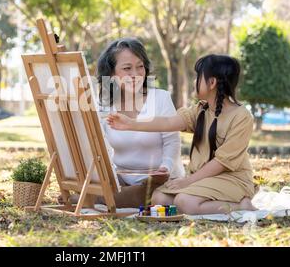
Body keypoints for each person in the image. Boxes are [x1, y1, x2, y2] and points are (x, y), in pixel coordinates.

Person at [107, 54, 258, 214]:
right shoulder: (201, 110)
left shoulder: (242, 117)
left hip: (232, 179)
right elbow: (167, 123)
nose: (194, 81)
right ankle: (202, 201)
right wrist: (131, 124)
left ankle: (243, 205)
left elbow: (222, 162)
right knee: (159, 198)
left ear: (212, 82)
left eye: (198, 77)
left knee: (185, 202)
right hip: (206, 179)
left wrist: (187, 182)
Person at [97, 37, 185, 208]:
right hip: (122, 178)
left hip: (159, 181)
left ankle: (98, 199)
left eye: (140, 66)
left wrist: (166, 166)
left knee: (144, 194)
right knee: (109, 187)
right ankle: (106, 196)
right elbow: (100, 146)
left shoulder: (160, 97)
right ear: (112, 74)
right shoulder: (104, 105)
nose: (135, 74)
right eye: (127, 68)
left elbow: (172, 140)